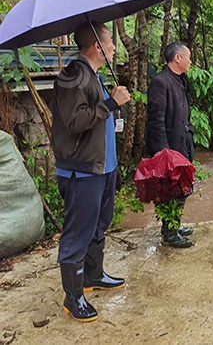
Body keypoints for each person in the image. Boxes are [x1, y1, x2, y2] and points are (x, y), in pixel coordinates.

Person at [51, 21, 131, 322]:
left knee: (100, 223)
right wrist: (111, 102)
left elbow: (95, 114)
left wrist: (107, 97)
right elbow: (74, 120)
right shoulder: (72, 75)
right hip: (81, 171)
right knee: (77, 233)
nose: (113, 48)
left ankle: (93, 275)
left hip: (101, 168)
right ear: (97, 45)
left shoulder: (93, 76)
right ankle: (73, 297)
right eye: (111, 43)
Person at [146, 41, 195, 248]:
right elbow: (156, 120)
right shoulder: (161, 82)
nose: (190, 62)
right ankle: (170, 232)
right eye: (188, 57)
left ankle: (173, 225)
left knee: (182, 188)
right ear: (178, 58)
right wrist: (163, 153)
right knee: (170, 191)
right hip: (169, 148)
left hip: (182, 143)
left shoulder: (179, 80)